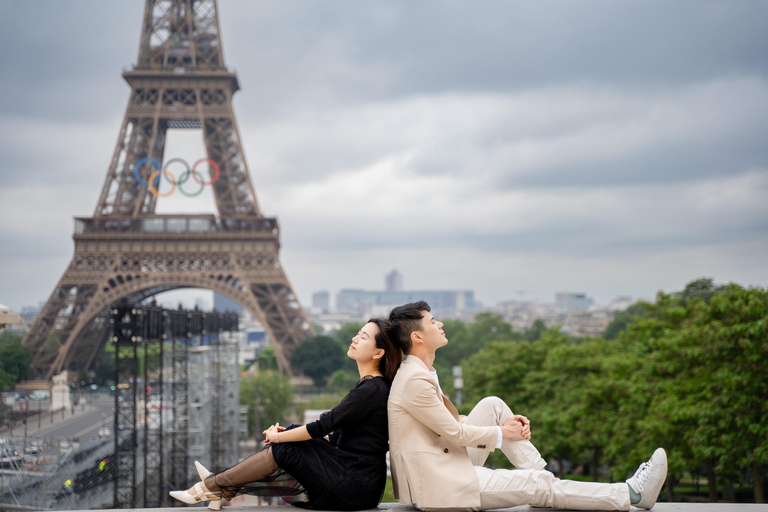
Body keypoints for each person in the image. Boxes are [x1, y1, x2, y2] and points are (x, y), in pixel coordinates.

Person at [387, 301, 667, 511]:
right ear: (417, 337)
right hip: (442, 485)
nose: (440, 325)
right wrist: (503, 434)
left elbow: (448, 428)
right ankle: (630, 494)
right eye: (433, 322)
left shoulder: (420, 371)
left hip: (442, 464)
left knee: (492, 405)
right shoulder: (415, 380)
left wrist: (502, 429)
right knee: (537, 485)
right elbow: (455, 434)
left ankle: (543, 479)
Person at [170, 318, 401, 511]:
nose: (354, 338)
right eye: (358, 333)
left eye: (363, 337)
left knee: (285, 445)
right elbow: (335, 436)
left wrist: (279, 438)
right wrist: (287, 433)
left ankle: (212, 486)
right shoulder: (370, 387)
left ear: (378, 352)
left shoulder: (371, 389)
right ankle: (221, 487)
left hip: (356, 483)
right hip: (357, 478)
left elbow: (323, 426)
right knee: (290, 435)